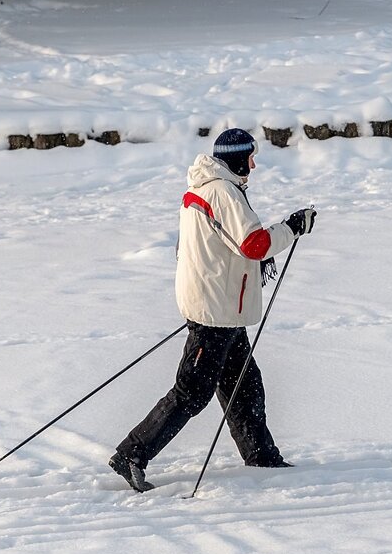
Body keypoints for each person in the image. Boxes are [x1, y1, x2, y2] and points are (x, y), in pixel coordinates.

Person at [109, 128, 317, 492]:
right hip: (214, 312)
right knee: (192, 393)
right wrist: (292, 228)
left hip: (221, 308)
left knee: (245, 385)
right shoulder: (221, 192)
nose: (253, 164)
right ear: (237, 158)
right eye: (250, 157)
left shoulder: (210, 188)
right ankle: (131, 455)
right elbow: (254, 245)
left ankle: (261, 457)